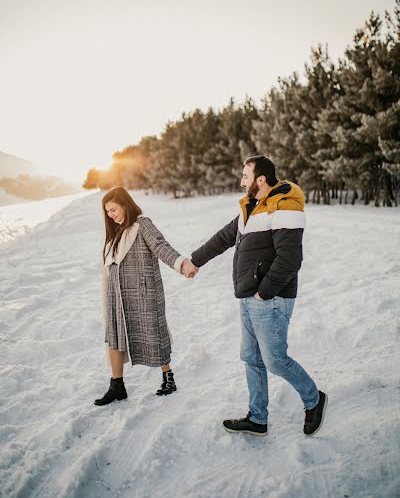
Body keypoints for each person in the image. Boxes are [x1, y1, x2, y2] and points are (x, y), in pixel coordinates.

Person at [184, 156, 328, 436]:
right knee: (251, 357)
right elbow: (223, 238)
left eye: (245, 176)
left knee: (275, 360)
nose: (241, 181)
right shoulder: (251, 209)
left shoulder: (284, 206)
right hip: (250, 297)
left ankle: (314, 398)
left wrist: (264, 292)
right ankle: (258, 418)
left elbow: (290, 259)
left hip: (271, 299)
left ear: (261, 180)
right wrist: (194, 261)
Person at [95, 186, 192, 406]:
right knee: (115, 337)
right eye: (107, 212)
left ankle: (168, 377)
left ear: (124, 204)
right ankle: (117, 386)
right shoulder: (115, 234)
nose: (111, 215)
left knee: (155, 333)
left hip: (143, 293)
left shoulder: (142, 224)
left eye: (113, 209)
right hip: (116, 297)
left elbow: (161, 247)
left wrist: (181, 263)